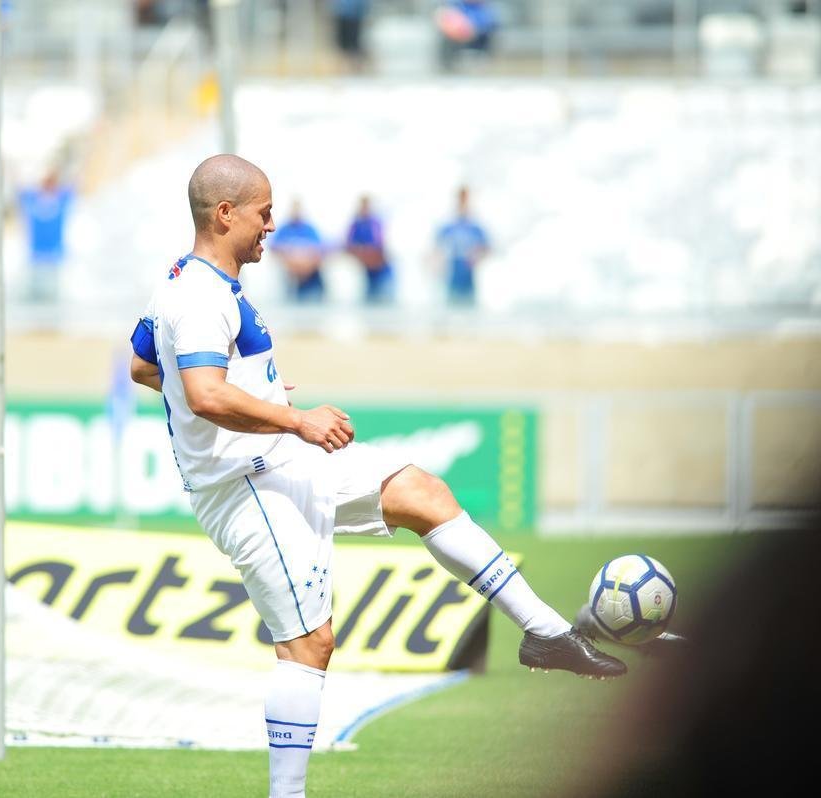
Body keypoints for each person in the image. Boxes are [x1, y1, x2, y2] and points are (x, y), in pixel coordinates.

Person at [128, 154, 625, 798]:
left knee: (422, 493)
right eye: (263, 212)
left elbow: (147, 366)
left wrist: (256, 394)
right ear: (225, 214)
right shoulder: (198, 295)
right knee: (309, 645)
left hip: (280, 460)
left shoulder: (188, 282)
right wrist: (292, 417)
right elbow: (203, 394)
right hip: (247, 484)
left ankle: (545, 633)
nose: (272, 225)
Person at [17, 168, 74, 303]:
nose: (48, 188)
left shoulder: (62, 201)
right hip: (35, 258)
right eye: (46, 184)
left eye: (51, 185)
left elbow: (74, 183)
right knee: (34, 298)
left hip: (55, 258)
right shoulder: (31, 200)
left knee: (54, 298)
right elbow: (19, 186)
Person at [435, 185, 490, 307]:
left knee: (469, 307)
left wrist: (477, 256)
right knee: (451, 305)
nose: (463, 203)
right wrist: (439, 265)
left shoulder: (475, 227)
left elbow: (487, 248)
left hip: (469, 273)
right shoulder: (449, 226)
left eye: (466, 199)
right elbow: (436, 249)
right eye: (461, 199)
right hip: (453, 271)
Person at [268, 200, 326, 303]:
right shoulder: (284, 229)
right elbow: (273, 247)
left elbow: (320, 249)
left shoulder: (309, 229)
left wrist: (307, 264)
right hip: (290, 272)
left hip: (310, 272)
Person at [345, 194, 394, 304]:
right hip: (367, 272)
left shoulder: (376, 223)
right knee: (370, 300)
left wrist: (365, 252)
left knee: (385, 300)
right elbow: (348, 244)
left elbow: (379, 246)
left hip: (382, 271)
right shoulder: (356, 225)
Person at [435, 0, 499, 72]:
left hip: (478, 36)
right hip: (456, 35)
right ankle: (448, 65)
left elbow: (490, 23)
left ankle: (483, 61)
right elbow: (444, 16)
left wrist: (472, 28)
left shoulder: (485, 9)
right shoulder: (456, 5)